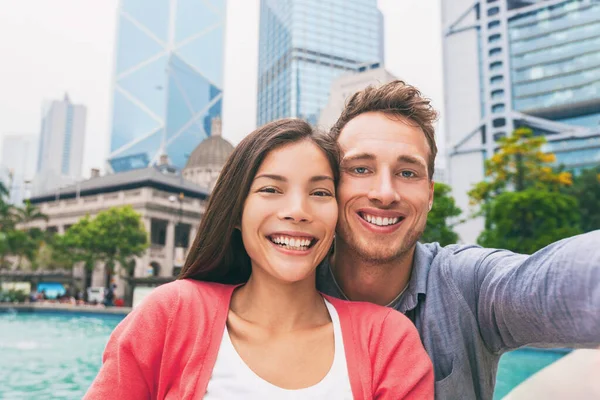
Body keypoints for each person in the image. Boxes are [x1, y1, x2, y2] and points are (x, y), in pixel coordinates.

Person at [84, 119, 433, 399]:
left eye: (320, 192)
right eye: (270, 189)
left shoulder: (387, 340)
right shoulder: (171, 313)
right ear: (236, 211)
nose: (297, 211)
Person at [315, 80, 600, 399]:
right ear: (330, 187)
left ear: (430, 194)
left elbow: (556, 281)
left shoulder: (467, 286)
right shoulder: (288, 288)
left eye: (408, 173)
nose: (384, 193)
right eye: (361, 168)